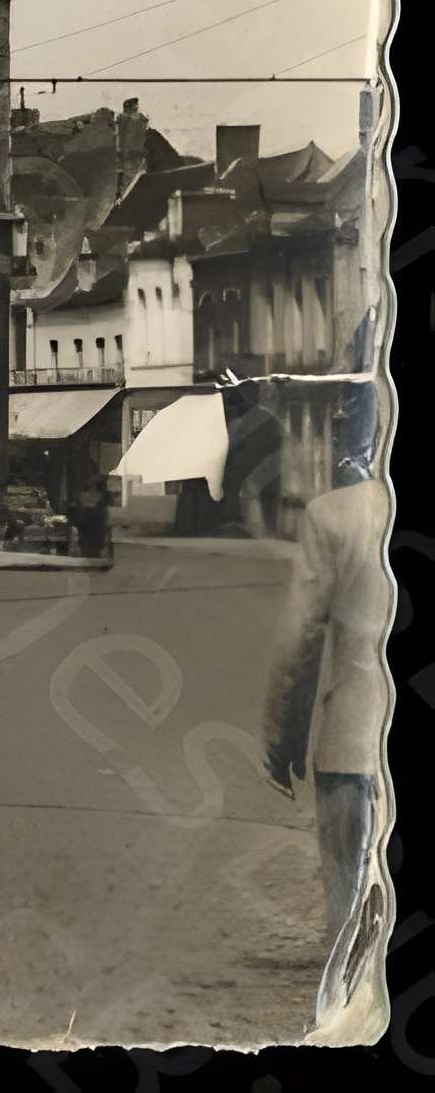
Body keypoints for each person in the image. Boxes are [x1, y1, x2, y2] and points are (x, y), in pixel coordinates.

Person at [261, 389, 389, 1021]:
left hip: (354, 737)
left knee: (346, 897)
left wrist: (281, 734)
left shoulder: (335, 516)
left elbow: (301, 637)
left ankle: (344, 1018)